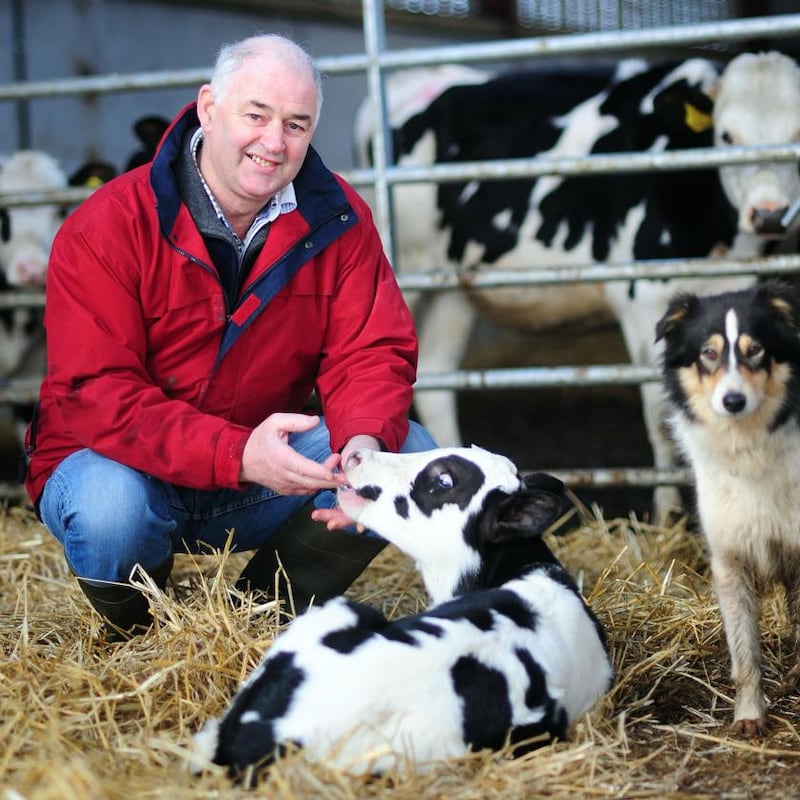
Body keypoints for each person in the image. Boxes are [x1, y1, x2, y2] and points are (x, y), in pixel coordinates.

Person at [23, 33, 436, 640]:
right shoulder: (107, 225)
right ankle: (142, 639)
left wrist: (361, 440)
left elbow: (370, 350)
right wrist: (239, 453)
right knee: (111, 509)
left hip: (257, 466)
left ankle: (254, 627)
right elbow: (96, 391)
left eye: (297, 124)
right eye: (257, 115)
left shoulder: (337, 217)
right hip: (120, 466)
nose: (274, 142)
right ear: (210, 107)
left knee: (402, 461)